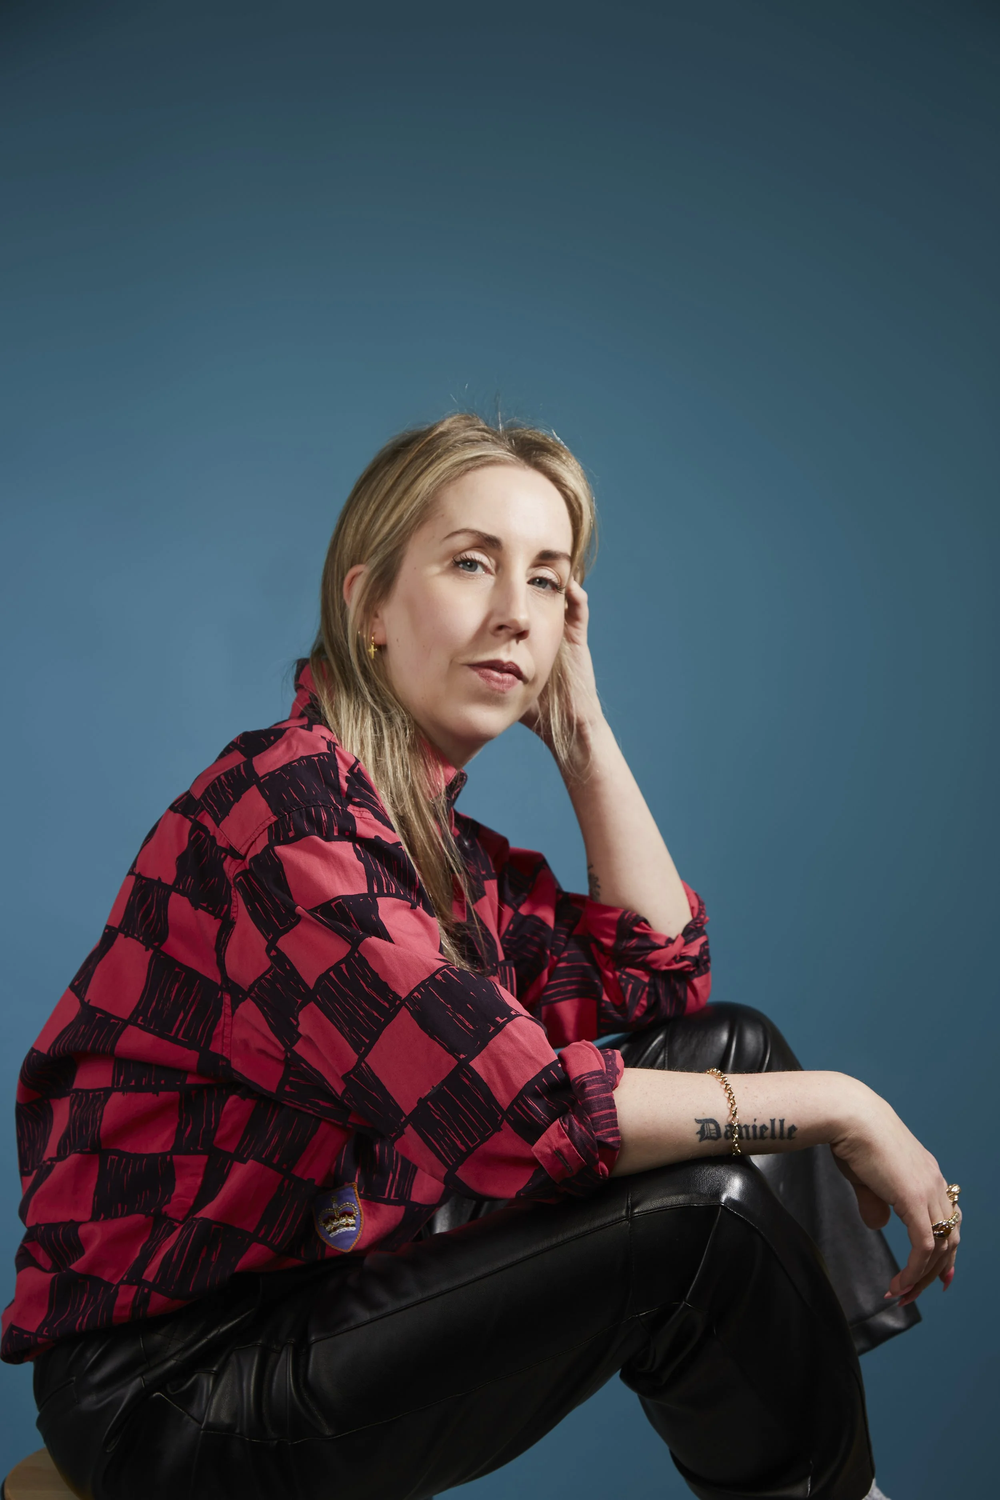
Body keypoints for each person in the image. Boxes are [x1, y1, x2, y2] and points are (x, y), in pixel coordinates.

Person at [1, 412, 959, 1500]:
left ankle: (823, 1460)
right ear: (368, 607)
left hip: (318, 1272)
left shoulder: (435, 844)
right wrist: (844, 1103)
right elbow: (523, 1114)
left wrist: (584, 734)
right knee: (702, 1215)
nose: (515, 614)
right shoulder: (285, 810)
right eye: (471, 564)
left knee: (725, 1044)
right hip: (172, 1389)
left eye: (549, 583)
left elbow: (654, 980)